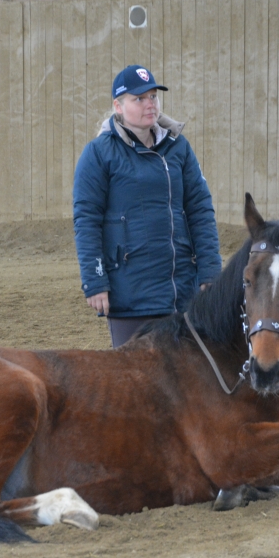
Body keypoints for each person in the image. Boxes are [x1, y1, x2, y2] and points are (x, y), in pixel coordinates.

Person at [73, 65, 222, 348]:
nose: (149, 104)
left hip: (181, 295)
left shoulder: (179, 148)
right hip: (129, 296)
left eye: (153, 96)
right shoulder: (98, 153)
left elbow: (200, 210)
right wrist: (94, 281)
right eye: (138, 99)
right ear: (118, 106)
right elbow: (86, 220)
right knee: (134, 388)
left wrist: (210, 270)